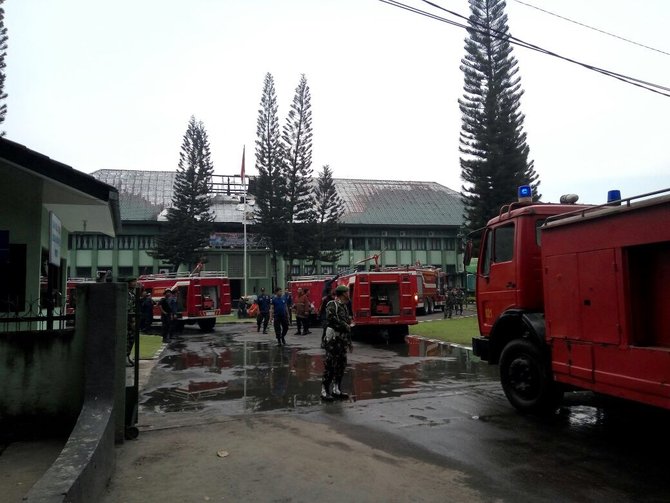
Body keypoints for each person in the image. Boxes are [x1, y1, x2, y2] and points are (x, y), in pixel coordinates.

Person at [321, 285, 354, 401]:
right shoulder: (332, 304)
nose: (348, 293)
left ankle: (336, 389)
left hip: (342, 341)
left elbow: (348, 325)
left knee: (341, 365)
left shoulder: (344, 306)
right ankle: (324, 390)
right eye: (347, 292)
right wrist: (344, 325)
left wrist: (349, 342)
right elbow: (331, 318)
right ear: (343, 293)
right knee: (330, 366)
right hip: (333, 341)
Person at [126, 278, 138, 367]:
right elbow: (129, 308)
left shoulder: (132, 293)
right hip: (128, 321)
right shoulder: (126, 294)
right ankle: (125, 358)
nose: (135, 283)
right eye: (133, 282)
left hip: (132, 319)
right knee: (127, 340)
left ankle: (127, 357)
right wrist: (132, 321)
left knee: (131, 339)